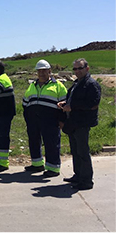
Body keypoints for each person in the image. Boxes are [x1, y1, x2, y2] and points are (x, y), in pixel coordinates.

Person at [57, 58, 101, 190]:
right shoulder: (77, 83)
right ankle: (78, 175)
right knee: (75, 151)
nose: (77, 71)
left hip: (83, 122)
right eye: (75, 69)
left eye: (80, 68)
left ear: (87, 69)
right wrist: (65, 104)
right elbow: (74, 99)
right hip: (73, 122)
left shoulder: (91, 84)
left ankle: (86, 181)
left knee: (82, 152)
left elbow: (93, 104)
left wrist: (72, 107)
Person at [23, 60, 68, 177]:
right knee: (33, 141)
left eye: (44, 71)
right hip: (34, 120)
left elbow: (65, 104)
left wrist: (62, 120)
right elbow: (25, 102)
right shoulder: (32, 85)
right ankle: (37, 164)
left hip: (51, 120)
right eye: (39, 71)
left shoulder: (58, 86)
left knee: (51, 143)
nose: (41, 73)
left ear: (50, 71)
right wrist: (27, 118)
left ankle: (53, 168)